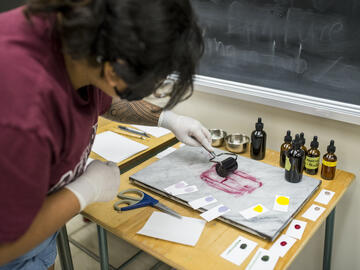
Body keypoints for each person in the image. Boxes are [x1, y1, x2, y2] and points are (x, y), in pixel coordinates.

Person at [0, 0, 213, 269]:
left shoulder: (89, 39)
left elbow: (107, 99)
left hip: (37, 227)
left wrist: (168, 119)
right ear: (115, 70)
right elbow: (5, 245)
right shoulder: (22, 111)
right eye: (151, 82)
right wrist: (84, 191)